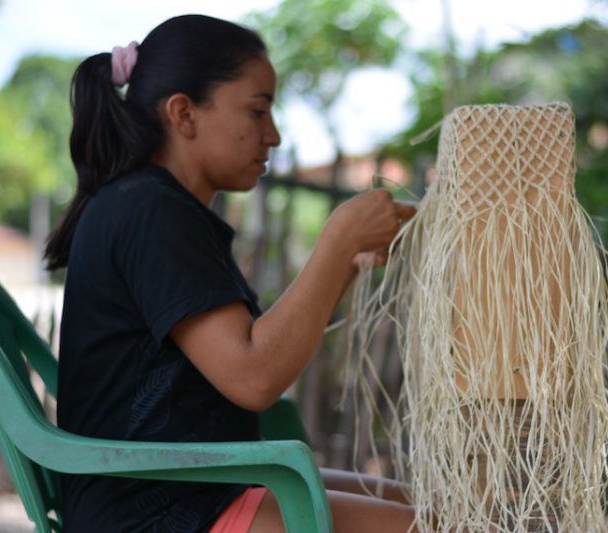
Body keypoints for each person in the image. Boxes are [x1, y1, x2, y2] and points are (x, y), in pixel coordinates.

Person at [43, 13, 418, 533]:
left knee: (427, 503)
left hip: (197, 486)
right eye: (257, 111)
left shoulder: (151, 206)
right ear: (184, 113)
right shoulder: (151, 212)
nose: (275, 136)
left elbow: (248, 355)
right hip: (157, 509)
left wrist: (347, 265)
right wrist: (338, 240)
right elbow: (253, 377)